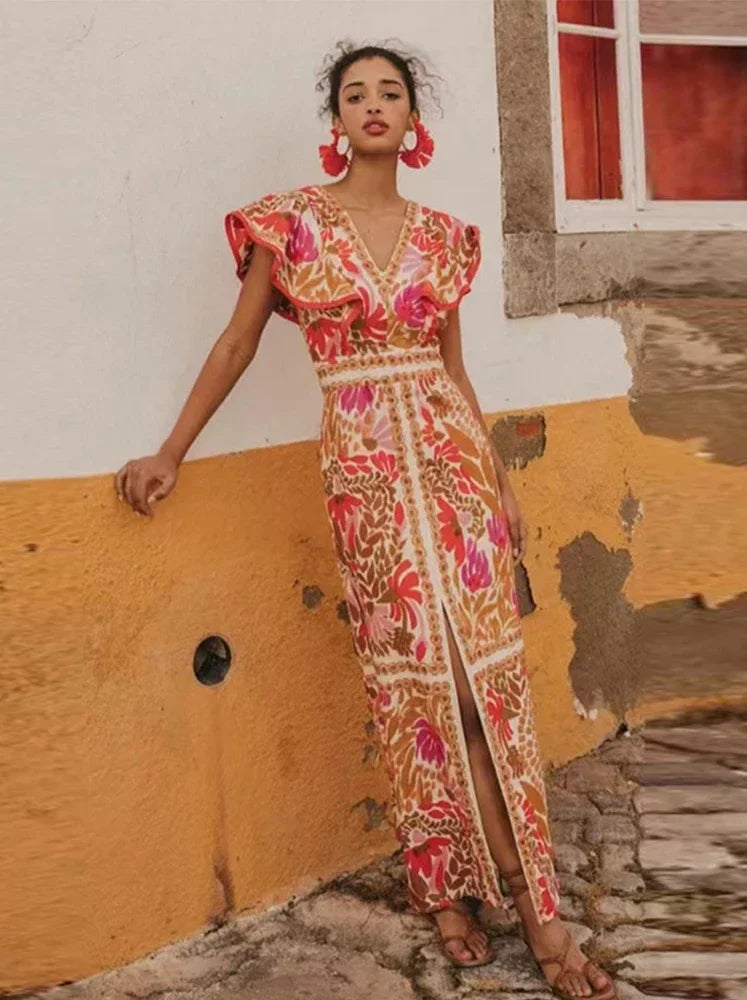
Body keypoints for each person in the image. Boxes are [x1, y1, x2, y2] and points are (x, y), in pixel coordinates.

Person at [114, 42, 614, 999]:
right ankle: (442, 883)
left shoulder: (446, 237)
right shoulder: (291, 225)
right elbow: (237, 341)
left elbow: (456, 374)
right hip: (368, 483)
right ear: (335, 121)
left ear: (412, 118)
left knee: (484, 691)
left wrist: (500, 484)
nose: (373, 105)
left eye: (391, 92)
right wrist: (170, 451)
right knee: (415, 692)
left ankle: (536, 911)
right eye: (356, 94)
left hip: (455, 473)